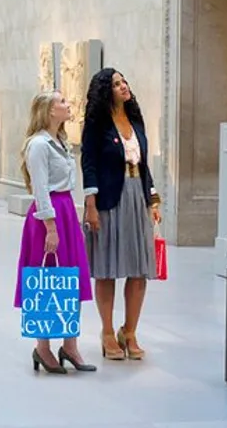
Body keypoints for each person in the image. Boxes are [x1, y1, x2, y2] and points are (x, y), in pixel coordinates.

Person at [81, 69, 160, 361]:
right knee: (106, 268)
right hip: (108, 199)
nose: (123, 86)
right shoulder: (96, 124)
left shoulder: (136, 119)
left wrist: (152, 199)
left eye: (124, 81)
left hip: (136, 195)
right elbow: (88, 163)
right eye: (116, 84)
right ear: (106, 91)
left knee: (139, 269)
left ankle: (129, 331)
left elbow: (145, 164)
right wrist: (90, 205)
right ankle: (106, 332)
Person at [15, 91, 95, 374]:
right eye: (61, 102)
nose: (68, 104)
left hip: (65, 212)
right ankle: (43, 347)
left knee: (69, 279)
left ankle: (70, 345)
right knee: (47, 279)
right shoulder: (39, 144)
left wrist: (70, 221)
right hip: (47, 216)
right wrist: (51, 226)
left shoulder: (61, 142)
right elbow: (40, 187)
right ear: (49, 111)